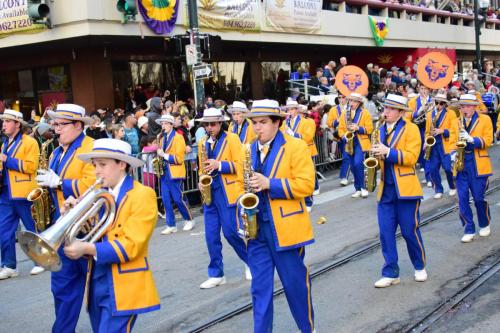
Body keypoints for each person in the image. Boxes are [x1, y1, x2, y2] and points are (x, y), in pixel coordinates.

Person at [63, 138, 160, 332]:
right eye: (94, 165)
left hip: (125, 283)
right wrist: (73, 217)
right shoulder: (99, 194)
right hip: (96, 281)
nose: (97, 171)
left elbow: (132, 244)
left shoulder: (142, 194)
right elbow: (94, 232)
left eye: (103, 165)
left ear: (122, 164)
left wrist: (87, 248)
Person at [237, 99, 316, 333]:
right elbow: (243, 185)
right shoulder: (247, 148)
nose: (257, 127)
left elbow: (306, 185)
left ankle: (307, 329)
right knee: (259, 289)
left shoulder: (296, 146)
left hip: (286, 229)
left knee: (295, 286)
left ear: (277, 123)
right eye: (254, 123)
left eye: (263, 122)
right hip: (257, 230)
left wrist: (270, 183)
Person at [35, 103, 96, 332]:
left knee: (97, 294)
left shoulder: (91, 148)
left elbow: (94, 187)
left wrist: (60, 183)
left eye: (61, 124)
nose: (56, 129)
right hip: (61, 231)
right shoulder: (55, 152)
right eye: (55, 124)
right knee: (62, 290)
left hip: (87, 230)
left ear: (78, 125)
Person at [370, 94, 427, 288]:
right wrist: (373, 160)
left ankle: (419, 266)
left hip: (407, 189)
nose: (385, 112)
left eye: (390, 109)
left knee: (409, 231)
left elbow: (412, 157)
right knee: (385, 233)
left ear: (401, 112)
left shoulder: (411, 129)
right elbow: (378, 157)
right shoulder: (378, 129)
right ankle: (391, 272)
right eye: (384, 108)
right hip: (385, 189)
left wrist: (388, 152)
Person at [196, 107, 250, 289]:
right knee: (211, 236)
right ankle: (216, 274)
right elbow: (202, 168)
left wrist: (220, 164)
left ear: (220, 123)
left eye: (212, 124)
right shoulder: (202, 143)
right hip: (210, 193)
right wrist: (200, 181)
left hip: (227, 193)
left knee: (230, 233)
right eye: (206, 125)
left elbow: (241, 165)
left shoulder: (232, 139)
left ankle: (250, 261)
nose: (209, 127)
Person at [0, 110, 42, 279]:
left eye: (7, 121)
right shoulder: (5, 143)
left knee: (31, 229)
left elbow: (31, 167)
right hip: (5, 193)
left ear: (18, 124)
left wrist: (6, 160)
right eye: (3, 121)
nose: (3, 124)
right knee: (4, 231)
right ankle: (9, 265)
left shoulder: (30, 142)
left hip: (24, 192)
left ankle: (40, 261)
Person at [455, 94, 493, 243]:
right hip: (461, 163)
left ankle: (484, 223)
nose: (465, 109)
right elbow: (452, 141)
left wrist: (473, 139)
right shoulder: (457, 121)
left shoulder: (485, 119)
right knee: (462, 198)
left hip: (478, 163)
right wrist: (453, 153)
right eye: (462, 106)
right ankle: (469, 228)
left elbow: (489, 140)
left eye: (468, 106)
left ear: (475, 106)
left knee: (478, 198)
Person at [155, 114, 195, 234]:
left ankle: (189, 219)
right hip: (164, 172)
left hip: (175, 172)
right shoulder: (161, 138)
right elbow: (161, 153)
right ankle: (171, 224)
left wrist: (164, 155)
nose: (163, 126)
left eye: (166, 123)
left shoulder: (178, 138)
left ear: (172, 124)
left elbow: (179, 158)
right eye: (162, 124)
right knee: (166, 199)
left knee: (178, 198)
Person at [283, 99, 318, 211]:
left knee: (305, 175)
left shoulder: (307, 122)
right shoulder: (284, 123)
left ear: (297, 110)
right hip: (290, 152)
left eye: (292, 109)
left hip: (305, 151)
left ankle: (308, 201)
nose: (290, 111)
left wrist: (293, 134)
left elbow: (308, 137)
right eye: (288, 109)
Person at [338, 93, 373, 198]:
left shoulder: (365, 113)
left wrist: (358, 128)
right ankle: (357, 188)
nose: (352, 103)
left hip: (360, 142)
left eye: (354, 101)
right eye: (350, 101)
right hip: (349, 142)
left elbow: (370, 129)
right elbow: (340, 129)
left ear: (359, 103)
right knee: (353, 166)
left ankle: (363, 187)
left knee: (358, 164)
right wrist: (345, 136)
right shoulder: (344, 114)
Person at [424, 93, 458, 199]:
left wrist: (443, 131)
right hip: (433, 146)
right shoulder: (430, 114)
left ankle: (452, 186)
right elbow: (427, 131)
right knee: (433, 169)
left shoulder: (451, 113)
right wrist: (426, 140)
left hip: (445, 144)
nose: (438, 105)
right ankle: (438, 189)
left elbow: (455, 130)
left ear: (445, 104)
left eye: (441, 103)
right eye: (437, 102)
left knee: (448, 168)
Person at [407, 84, 432, 187]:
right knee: (422, 152)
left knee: (429, 153)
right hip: (419, 128)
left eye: (425, 89)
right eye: (421, 89)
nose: (423, 91)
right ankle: (428, 175)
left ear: (429, 89)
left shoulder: (434, 100)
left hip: (430, 128)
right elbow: (408, 115)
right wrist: (419, 111)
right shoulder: (413, 101)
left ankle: (430, 178)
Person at [327, 94, 351, 186]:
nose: (341, 99)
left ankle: (344, 177)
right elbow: (329, 123)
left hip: (351, 135)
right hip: (340, 136)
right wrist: (338, 119)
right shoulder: (333, 109)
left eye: (343, 97)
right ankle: (357, 175)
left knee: (346, 157)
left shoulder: (352, 108)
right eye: (339, 97)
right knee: (347, 157)